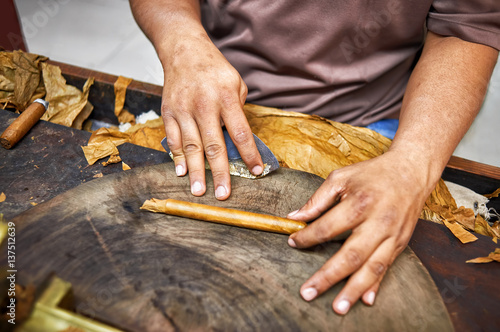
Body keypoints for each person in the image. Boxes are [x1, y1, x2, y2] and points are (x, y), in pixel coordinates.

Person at [130, 0, 499, 315]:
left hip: (371, 118)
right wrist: (182, 44)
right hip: (216, 95)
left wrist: (413, 162)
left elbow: (465, 26)